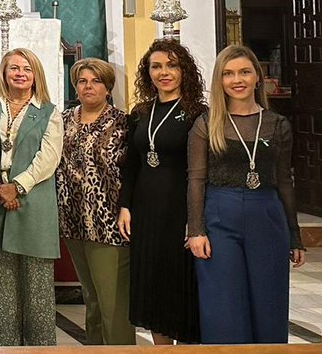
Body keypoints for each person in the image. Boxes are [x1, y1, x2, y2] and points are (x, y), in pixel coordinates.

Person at [187, 45, 305, 344]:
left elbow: (284, 182)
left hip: (266, 215)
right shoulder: (206, 123)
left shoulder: (277, 124)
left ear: (257, 77)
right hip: (219, 216)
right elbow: (196, 180)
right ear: (219, 81)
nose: (236, 79)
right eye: (228, 74)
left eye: (244, 72)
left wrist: (295, 235)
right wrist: (196, 230)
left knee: (269, 304)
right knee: (222, 305)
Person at [118, 39, 207, 344]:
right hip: (146, 211)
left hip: (180, 211)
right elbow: (131, 164)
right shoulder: (141, 112)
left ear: (184, 71)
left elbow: (203, 172)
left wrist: (196, 220)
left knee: (179, 287)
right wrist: (125, 206)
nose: (164, 72)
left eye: (171, 65)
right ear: (148, 72)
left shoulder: (198, 112)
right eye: (156, 66)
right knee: (153, 286)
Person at [56, 58, 133, 345]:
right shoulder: (64, 120)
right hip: (74, 222)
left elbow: (131, 171)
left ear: (108, 88)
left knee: (113, 304)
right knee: (91, 300)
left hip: (108, 223)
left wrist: (127, 207)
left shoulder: (123, 122)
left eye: (96, 81)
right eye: (82, 81)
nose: (89, 86)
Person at [0, 48, 62, 346]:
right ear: (4, 74)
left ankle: (41, 351)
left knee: (37, 288)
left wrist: (15, 187)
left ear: (36, 75)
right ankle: (3, 350)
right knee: (3, 289)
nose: (20, 73)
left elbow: (48, 158)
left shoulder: (49, 111)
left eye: (26, 68)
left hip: (34, 202)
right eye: (13, 68)